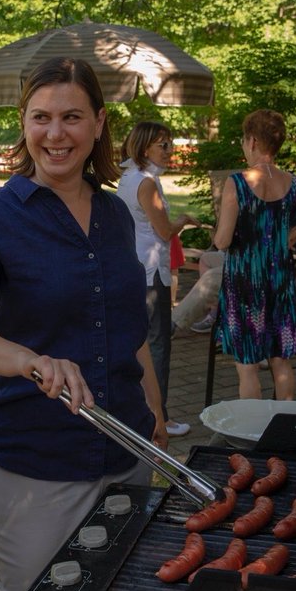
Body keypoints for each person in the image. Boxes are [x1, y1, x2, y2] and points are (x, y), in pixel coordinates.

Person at [0, 56, 168, 591]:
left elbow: (131, 333)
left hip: (125, 451)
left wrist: (156, 426)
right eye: (40, 117)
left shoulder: (115, 215)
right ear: (23, 123)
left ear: (98, 122)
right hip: (29, 464)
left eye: (71, 117)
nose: (55, 134)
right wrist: (31, 361)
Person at [213, 109, 296, 401]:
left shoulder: (237, 183)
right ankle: (283, 422)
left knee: (248, 367)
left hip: (245, 285)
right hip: (280, 281)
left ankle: (252, 435)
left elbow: (223, 241)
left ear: (251, 141)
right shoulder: (295, 184)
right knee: (281, 360)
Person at [116, 121, 199, 438]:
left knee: (141, 342)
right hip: (151, 273)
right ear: (144, 146)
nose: (170, 151)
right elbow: (164, 231)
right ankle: (159, 417)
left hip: (136, 268)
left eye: (170, 144)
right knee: (158, 344)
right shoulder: (147, 182)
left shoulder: (130, 176)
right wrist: (184, 220)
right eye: (163, 144)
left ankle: (143, 412)